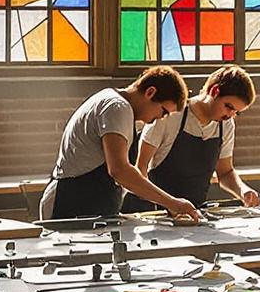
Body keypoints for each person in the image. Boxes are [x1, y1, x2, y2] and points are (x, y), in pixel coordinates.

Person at [37, 67, 203, 223]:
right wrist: (173, 203)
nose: (161, 118)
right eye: (163, 111)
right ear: (150, 92)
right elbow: (119, 170)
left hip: (90, 207)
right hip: (71, 205)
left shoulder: (116, 103)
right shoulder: (117, 108)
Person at [138, 65, 260, 212]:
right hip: (158, 212)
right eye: (229, 107)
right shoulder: (171, 114)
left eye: (237, 112)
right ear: (214, 91)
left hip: (195, 214)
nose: (230, 115)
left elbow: (225, 173)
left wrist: (243, 192)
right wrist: (167, 205)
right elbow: (141, 168)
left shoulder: (226, 125)